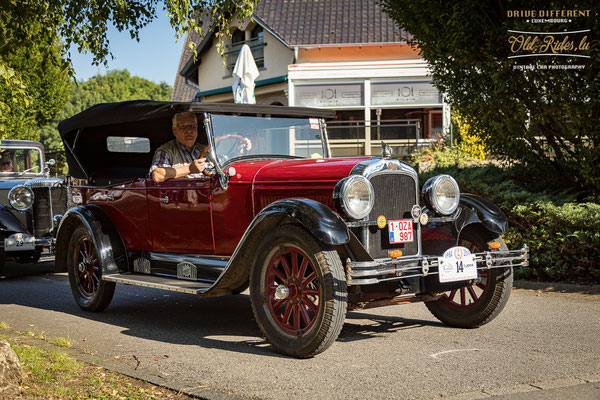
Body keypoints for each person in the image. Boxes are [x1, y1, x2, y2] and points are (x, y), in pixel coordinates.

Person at [150, 112, 207, 183]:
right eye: (184, 126)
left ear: (197, 129)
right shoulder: (166, 151)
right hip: (181, 193)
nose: (189, 131)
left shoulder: (207, 150)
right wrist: (190, 169)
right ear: (174, 131)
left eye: (192, 126)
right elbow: (157, 175)